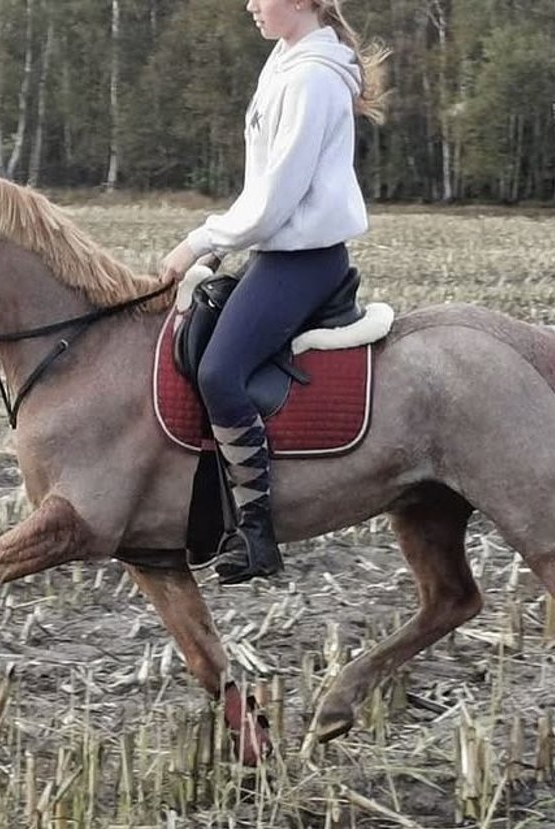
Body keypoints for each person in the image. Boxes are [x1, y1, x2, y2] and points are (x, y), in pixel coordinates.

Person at [159, 0, 388, 585]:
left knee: (219, 372)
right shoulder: (285, 60)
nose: (251, 5)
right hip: (278, 253)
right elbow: (260, 189)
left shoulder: (313, 78)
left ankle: (257, 532)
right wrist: (221, 244)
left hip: (304, 261)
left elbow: (276, 198)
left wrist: (200, 240)